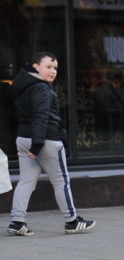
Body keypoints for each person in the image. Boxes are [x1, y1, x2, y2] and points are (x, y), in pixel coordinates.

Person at [8, 52, 94, 236]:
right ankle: (72, 221)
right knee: (61, 181)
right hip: (46, 140)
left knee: (26, 181)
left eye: (55, 68)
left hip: (23, 138)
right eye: (48, 67)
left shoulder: (22, 85)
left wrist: (33, 144)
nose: (53, 71)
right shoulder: (41, 88)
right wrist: (37, 144)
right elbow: (41, 117)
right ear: (35, 66)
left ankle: (17, 222)